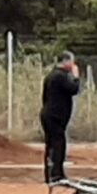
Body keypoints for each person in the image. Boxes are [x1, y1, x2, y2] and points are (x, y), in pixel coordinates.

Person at [40, 52, 80, 184]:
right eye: (71, 62)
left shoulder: (51, 75)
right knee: (58, 144)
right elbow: (74, 89)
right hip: (55, 116)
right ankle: (57, 174)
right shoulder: (61, 76)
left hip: (48, 113)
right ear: (66, 62)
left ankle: (50, 174)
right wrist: (75, 76)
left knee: (50, 144)